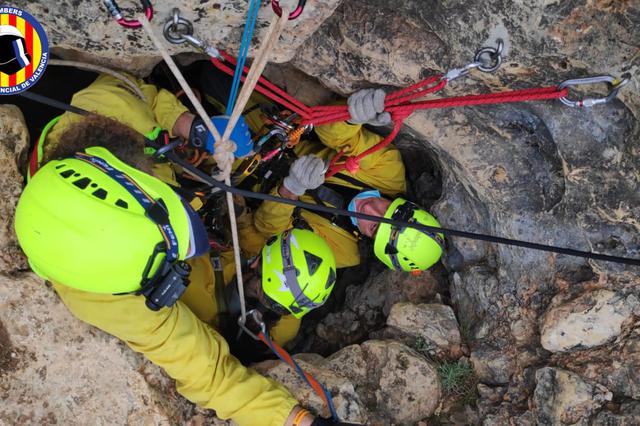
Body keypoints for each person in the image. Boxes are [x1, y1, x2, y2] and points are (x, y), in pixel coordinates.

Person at [13, 73, 339, 425]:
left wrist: (189, 126)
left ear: (132, 181)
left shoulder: (104, 117)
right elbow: (209, 372)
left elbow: (132, 93)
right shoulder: (122, 302)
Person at [237, 88, 445, 272]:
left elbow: (269, 232)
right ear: (402, 201)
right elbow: (336, 134)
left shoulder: (342, 253)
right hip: (273, 126)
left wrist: (290, 190)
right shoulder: (389, 170)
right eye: (387, 209)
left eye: (373, 228)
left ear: (370, 244)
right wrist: (351, 117)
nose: (370, 209)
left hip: (240, 175)